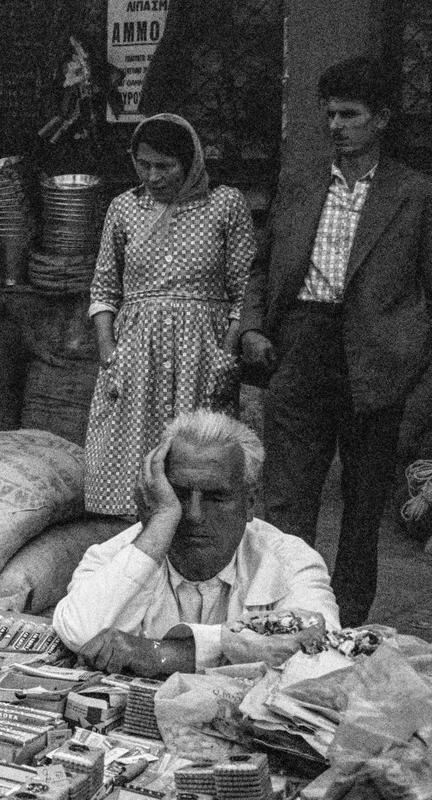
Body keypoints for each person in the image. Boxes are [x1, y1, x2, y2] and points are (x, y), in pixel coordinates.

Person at [239, 57, 432, 628]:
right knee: (286, 497)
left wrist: (415, 371)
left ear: (382, 119)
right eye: (330, 114)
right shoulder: (301, 183)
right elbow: (262, 265)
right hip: (301, 343)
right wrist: (252, 327)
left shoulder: (416, 194)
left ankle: (344, 623)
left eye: (350, 115)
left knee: (362, 506)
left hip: (380, 361)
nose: (337, 125)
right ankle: (282, 613)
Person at [53, 410, 340, 676]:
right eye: (178, 495)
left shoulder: (290, 561)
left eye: (216, 498)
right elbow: (80, 633)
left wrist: (167, 653)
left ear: (249, 503)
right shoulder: (123, 553)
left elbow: (322, 651)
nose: (194, 515)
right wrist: (161, 522)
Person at [84, 113, 257, 518]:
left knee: (195, 458)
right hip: (136, 358)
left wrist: (225, 357)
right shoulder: (124, 208)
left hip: (202, 357)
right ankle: (134, 555)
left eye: (165, 166)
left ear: (191, 161)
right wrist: (111, 354)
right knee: (130, 464)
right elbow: (105, 289)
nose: (153, 175)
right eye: (143, 164)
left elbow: (244, 291)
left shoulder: (224, 205)